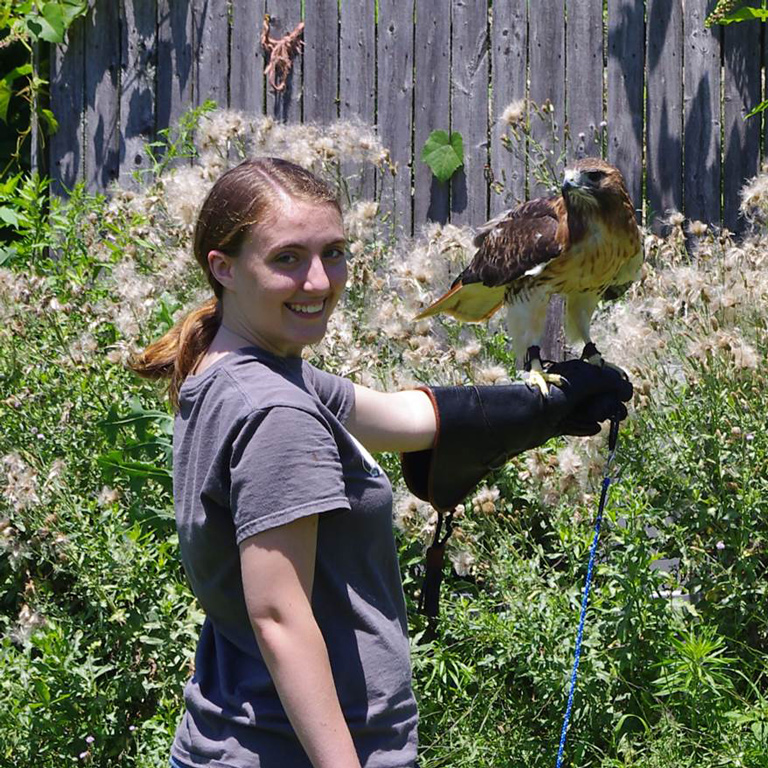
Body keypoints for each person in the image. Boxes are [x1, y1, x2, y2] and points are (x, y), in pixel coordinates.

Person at [128, 157, 632, 768]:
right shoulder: (276, 414)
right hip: (299, 752)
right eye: (287, 259)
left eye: (333, 253)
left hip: (234, 733)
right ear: (223, 268)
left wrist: (540, 407)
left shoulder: (234, 369)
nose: (319, 281)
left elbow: (394, 419)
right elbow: (280, 620)